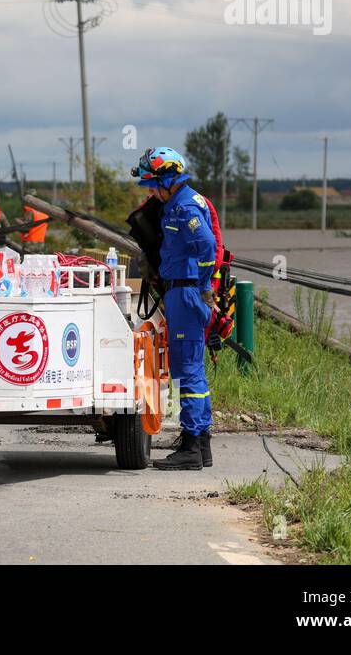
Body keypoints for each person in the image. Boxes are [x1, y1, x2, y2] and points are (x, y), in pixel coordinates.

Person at [131, 147, 218, 470]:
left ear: (169, 179)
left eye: (153, 185)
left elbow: (206, 245)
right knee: (192, 368)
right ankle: (200, 444)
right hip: (183, 291)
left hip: (187, 293)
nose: (151, 192)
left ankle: (192, 446)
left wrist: (205, 283)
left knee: (189, 370)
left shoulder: (185, 207)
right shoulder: (178, 203)